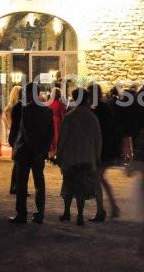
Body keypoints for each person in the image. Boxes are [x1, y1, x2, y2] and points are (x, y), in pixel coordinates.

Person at [9, 82, 53, 224]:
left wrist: (34, 150)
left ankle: (21, 214)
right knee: (40, 183)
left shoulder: (27, 109)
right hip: (39, 152)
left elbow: (27, 132)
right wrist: (43, 150)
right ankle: (40, 213)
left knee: (22, 184)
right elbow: (50, 133)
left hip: (26, 152)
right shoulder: (47, 110)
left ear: (29, 93)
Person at [56, 88, 102, 226]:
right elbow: (98, 139)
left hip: (71, 158)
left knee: (69, 186)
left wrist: (60, 155)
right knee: (81, 189)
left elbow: (62, 139)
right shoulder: (92, 117)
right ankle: (80, 215)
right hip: (87, 158)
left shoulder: (69, 117)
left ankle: (67, 212)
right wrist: (97, 157)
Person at [88, 84, 121, 221]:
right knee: (99, 178)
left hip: (104, 150)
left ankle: (102, 210)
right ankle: (112, 207)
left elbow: (102, 132)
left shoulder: (99, 110)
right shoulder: (103, 107)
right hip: (107, 149)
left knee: (97, 178)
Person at [4, 86, 23, 194]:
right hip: (17, 136)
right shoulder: (18, 107)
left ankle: (15, 186)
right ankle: (15, 186)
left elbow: (9, 123)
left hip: (13, 135)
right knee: (18, 163)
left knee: (17, 162)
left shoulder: (10, 107)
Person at [48, 87, 66, 161]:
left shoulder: (49, 103)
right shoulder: (61, 104)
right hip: (58, 123)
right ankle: (57, 154)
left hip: (50, 122)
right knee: (57, 138)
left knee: (51, 138)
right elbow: (63, 115)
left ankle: (51, 155)